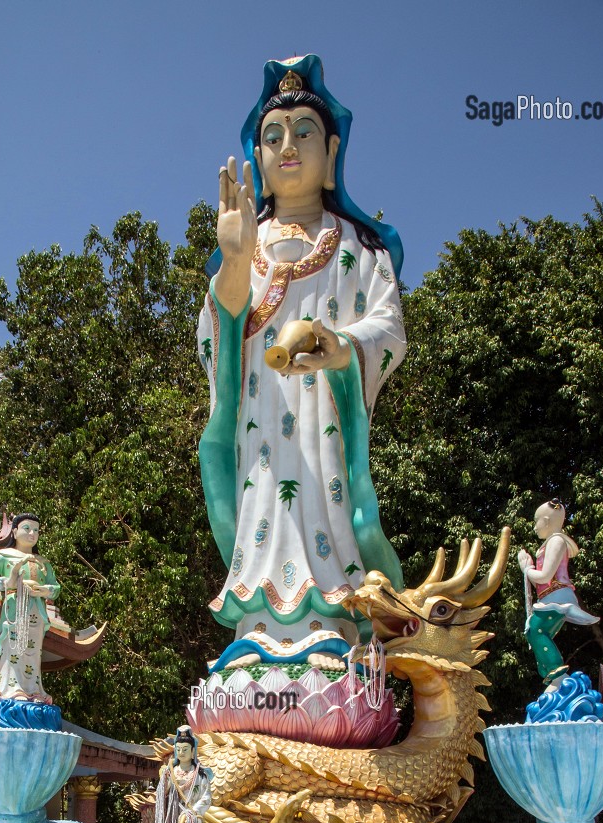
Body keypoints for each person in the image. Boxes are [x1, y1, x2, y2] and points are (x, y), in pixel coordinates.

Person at [198, 55, 407, 669]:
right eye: (272, 136)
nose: (287, 146)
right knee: (263, 512)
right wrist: (233, 263)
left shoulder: (358, 247)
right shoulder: (246, 243)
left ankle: (338, 629)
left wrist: (341, 347)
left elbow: (389, 329)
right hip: (260, 436)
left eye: (303, 132)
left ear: (333, 150)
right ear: (257, 159)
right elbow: (217, 339)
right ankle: (258, 634)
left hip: (325, 432)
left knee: (329, 517)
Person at [0, 514, 61, 703]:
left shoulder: (43, 563)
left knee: (33, 652)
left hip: (37, 612)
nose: (32, 533)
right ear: (14, 531)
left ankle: (34, 691)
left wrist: (45, 590)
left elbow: (56, 588)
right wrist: (7, 582)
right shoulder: (5, 557)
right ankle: (11, 689)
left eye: (36, 530)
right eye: (27, 528)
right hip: (15, 612)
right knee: (15, 649)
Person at [517, 498, 599, 690]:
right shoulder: (550, 543)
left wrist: (526, 569)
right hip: (549, 598)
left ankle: (557, 674)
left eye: (536, 521)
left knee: (536, 630)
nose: (534, 527)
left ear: (546, 521)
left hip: (557, 596)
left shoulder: (556, 541)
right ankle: (552, 677)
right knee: (534, 632)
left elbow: (544, 575)